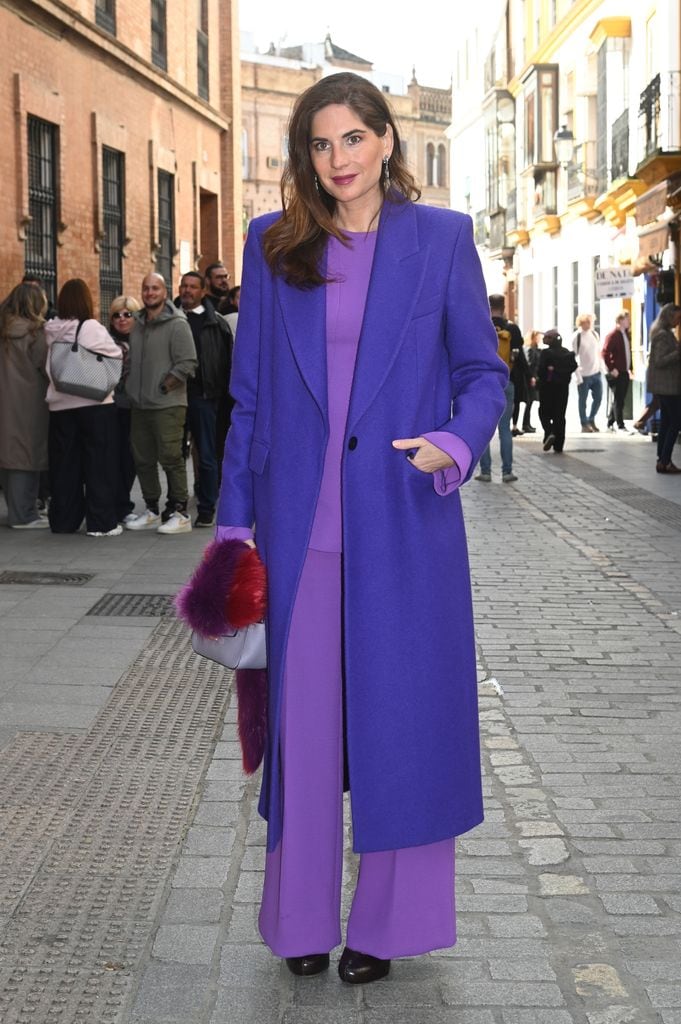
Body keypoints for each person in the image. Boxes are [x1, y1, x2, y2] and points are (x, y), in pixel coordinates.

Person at [215, 72, 507, 984]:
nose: (336, 159)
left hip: (403, 527)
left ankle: (386, 926)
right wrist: (233, 531)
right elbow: (250, 400)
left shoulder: (442, 240)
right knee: (303, 737)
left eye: (352, 138)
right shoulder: (273, 246)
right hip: (299, 532)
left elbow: (483, 373)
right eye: (318, 143)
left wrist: (455, 444)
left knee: (400, 728)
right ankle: (298, 919)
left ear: (387, 141)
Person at [44, 279, 123, 536]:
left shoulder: (51, 329)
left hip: (59, 405)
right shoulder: (90, 327)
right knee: (99, 463)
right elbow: (115, 354)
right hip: (94, 404)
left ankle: (64, 521)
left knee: (65, 465)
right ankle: (101, 523)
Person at [124, 273, 197, 535]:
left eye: (155, 288)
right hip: (140, 404)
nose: (149, 293)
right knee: (142, 459)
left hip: (168, 404)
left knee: (170, 458)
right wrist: (131, 385)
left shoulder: (178, 323)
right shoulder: (138, 324)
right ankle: (152, 510)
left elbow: (188, 362)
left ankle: (180, 512)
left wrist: (165, 386)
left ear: (164, 292)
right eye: (145, 288)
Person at [179, 271, 233, 527]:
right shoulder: (172, 318)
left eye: (192, 287)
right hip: (174, 397)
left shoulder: (216, 322)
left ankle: (207, 507)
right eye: (184, 286)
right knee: (173, 455)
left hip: (205, 396)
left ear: (202, 291)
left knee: (207, 454)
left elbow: (226, 361)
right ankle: (176, 506)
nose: (187, 291)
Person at [0, 283, 50, 528]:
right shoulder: (35, 334)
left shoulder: (2, 329)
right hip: (29, 402)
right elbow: (46, 367)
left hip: (4, 402)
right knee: (28, 455)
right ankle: (24, 514)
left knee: (8, 455)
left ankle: (16, 509)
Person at [476, 293, 525, 482]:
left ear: (488, 306)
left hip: (484, 383)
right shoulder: (512, 329)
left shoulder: (481, 326)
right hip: (506, 382)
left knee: (485, 429)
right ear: (504, 307)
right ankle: (507, 471)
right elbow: (519, 358)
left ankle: (486, 471)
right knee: (505, 429)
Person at [109, 296, 141, 524]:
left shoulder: (142, 341)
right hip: (111, 407)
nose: (122, 319)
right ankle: (118, 504)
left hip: (136, 407)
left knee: (131, 459)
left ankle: (122, 502)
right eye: (117, 315)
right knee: (114, 457)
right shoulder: (103, 340)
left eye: (128, 314)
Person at [645, 303, 681, 474]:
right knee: (675, 421)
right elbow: (660, 360)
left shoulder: (666, 334)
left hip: (666, 386)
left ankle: (662, 460)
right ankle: (665, 460)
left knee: (667, 422)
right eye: (677, 318)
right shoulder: (662, 335)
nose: (678, 322)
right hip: (667, 386)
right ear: (668, 317)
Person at [537, 328, 577, 453]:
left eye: (546, 337)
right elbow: (573, 366)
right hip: (563, 388)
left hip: (547, 389)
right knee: (560, 415)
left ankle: (549, 432)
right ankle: (559, 445)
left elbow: (540, 371)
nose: (544, 339)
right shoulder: (567, 353)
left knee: (543, 412)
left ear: (551, 339)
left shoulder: (545, 353)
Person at [602, 310, 633, 432]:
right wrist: (612, 368)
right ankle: (620, 424)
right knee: (619, 399)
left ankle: (610, 422)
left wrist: (630, 369)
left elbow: (627, 353)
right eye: (627, 319)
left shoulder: (625, 334)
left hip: (624, 371)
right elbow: (605, 352)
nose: (629, 321)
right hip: (617, 372)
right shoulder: (613, 335)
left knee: (619, 398)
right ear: (620, 320)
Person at [571, 312, 602, 432]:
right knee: (582, 400)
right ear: (581, 322)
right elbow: (573, 357)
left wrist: (601, 368)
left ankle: (591, 419)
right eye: (587, 322)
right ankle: (584, 423)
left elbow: (597, 353)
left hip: (596, 372)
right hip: (583, 374)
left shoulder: (594, 334)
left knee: (598, 398)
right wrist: (577, 375)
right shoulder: (577, 337)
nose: (589, 324)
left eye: (591, 321)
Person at [521, 330, 542, 432]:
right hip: (531, 378)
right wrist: (532, 377)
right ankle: (525, 424)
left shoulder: (537, 349)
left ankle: (527, 423)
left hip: (535, 377)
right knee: (529, 401)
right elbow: (530, 364)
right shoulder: (531, 350)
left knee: (531, 401)